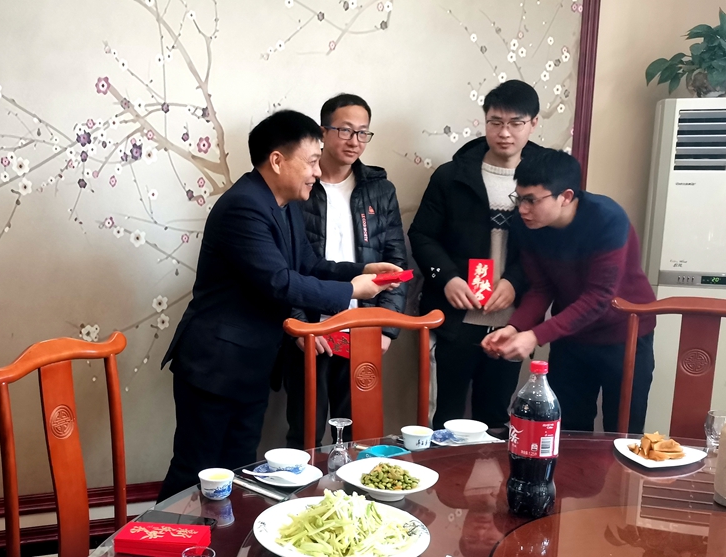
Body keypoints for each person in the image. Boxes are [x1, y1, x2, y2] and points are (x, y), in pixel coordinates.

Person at [157, 110, 401, 501]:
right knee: (195, 471)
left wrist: (362, 270)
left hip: (252, 365)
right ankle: (167, 534)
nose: (317, 172)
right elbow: (279, 282)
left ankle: (222, 534)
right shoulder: (244, 206)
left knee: (237, 470)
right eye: (311, 161)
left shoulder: (284, 204)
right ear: (276, 160)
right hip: (215, 365)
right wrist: (349, 291)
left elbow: (309, 265)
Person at [481, 148, 656, 433]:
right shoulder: (527, 225)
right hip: (572, 337)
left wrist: (535, 336)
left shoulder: (607, 219)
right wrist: (515, 327)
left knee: (623, 433)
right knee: (566, 431)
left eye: (531, 200)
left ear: (565, 196)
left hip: (625, 335)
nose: (522, 209)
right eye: (519, 198)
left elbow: (599, 298)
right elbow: (541, 287)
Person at [409, 80, 542, 430]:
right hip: (455, 319)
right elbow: (422, 235)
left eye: (515, 123)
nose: (504, 133)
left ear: (533, 123)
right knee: (444, 419)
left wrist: (514, 282)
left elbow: (550, 246)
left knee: (496, 418)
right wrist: (447, 278)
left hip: (513, 322)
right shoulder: (452, 176)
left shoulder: (545, 181)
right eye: (495, 122)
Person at [282, 93, 408, 449]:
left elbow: (396, 259)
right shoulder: (299, 185)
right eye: (346, 130)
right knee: (305, 430)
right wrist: (298, 324)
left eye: (363, 132)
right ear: (323, 132)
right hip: (311, 327)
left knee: (359, 430)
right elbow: (285, 266)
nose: (355, 141)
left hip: (363, 325)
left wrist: (386, 328)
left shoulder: (379, 189)